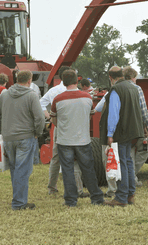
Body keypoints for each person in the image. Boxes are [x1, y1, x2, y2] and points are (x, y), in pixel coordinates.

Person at [50, 69, 106, 207]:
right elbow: (91, 114)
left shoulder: (58, 99)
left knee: (68, 170)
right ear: (77, 81)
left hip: (65, 140)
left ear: (63, 82)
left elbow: (54, 120)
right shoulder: (87, 98)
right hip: (83, 139)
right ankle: (97, 198)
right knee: (88, 169)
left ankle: (70, 200)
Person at [0, 70, 45, 210]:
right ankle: (19, 202)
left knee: (15, 169)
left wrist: (2, 131)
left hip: (9, 138)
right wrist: (37, 133)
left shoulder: (5, 94)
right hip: (25, 137)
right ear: (29, 80)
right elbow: (39, 118)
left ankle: (18, 199)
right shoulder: (31, 96)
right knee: (23, 170)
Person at [40, 66, 88, 198]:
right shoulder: (77, 91)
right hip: (76, 128)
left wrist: (49, 117)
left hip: (59, 127)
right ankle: (78, 189)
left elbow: (41, 103)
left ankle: (52, 187)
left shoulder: (53, 91)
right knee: (75, 158)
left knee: (56, 158)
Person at [100, 66, 144, 206]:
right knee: (128, 161)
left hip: (121, 131)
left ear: (111, 77)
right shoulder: (133, 87)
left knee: (121, 163)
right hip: (133, 130)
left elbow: (113, 113)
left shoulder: (116, 90)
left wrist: (110, 134)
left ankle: (121, 197)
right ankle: (130, 194)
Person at [123, 66, 148, 187]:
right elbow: (143, 110)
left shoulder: (118, 89)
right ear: (133, 77)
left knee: (129, 153)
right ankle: (132, 177)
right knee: (145, 149)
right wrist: (147, 127)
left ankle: (129, 177)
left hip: (123, 126)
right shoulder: (137, 88)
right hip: (137, 126)